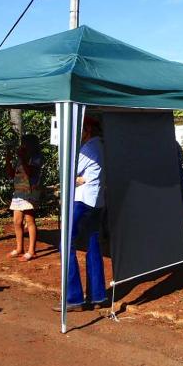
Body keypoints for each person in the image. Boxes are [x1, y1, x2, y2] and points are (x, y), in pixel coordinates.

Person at [59, 116, 106, 311]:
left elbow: (67, 171)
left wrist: (76, 178)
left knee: (66, 243)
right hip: (98, 200)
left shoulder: (88, 148)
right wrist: (78, 178)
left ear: (87, 129)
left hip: (83, 200)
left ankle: (73, 297)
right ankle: (97, 295)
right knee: (93, 244)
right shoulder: (102, 147)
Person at [5, 134, 43, 262]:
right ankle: (19, 248)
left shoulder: (35, 157)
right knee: (17, 221)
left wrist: (22, 158)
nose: (23, 145)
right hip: (18, 193)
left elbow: (30, 172)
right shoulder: (21, 158)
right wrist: (8, 161)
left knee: (30, 221)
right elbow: (11, 175)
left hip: (30, 192)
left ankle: (31, 251)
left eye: (25, 143)